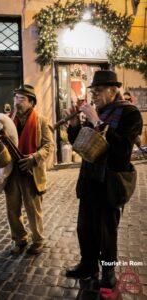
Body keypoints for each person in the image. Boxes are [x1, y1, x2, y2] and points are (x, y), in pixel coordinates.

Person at [65, 70, 143, 290]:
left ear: (113, 90)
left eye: (99, 91)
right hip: (90, 180)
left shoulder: (130, 114)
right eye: (94, 91)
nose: (95, 96)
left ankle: (108, 273)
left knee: (107, 232)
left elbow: (121, 151)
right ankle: (88, 265)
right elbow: (82, 144)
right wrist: (73, 125)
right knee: (85, 228)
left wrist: (96, 121)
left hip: (110, 182)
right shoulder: (100, 112)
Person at [4, 84, 54, 255]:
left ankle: (38, 240)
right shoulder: (7, 120)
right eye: (15, 98)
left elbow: (49, 146)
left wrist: (34, 158)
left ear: (31, 102)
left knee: (33, 210)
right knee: (12, 210)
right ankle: (19, 239)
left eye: (21, 99)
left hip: (31, 172)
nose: (17, 102)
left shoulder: (41, 120)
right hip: (12, 172)